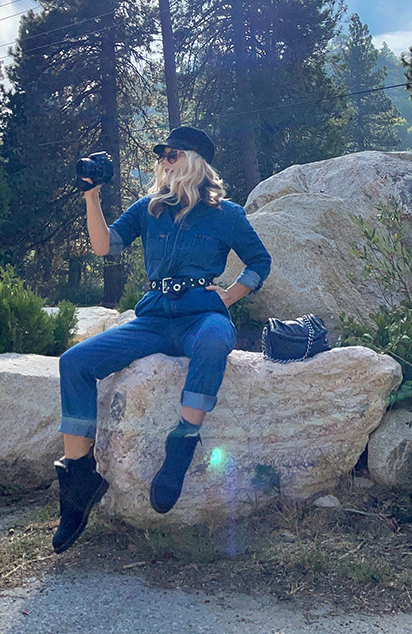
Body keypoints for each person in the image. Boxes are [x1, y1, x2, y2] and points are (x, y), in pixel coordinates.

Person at [52, 126, 271, 554]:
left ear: (195, 162)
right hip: (153, 317)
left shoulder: (227, 214)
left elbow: (260, 261)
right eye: (161, 156)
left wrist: (228, 294)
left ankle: (182, 444)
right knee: (74, 363)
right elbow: (104, 246)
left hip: (200, 315)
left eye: (173, 155)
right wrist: (91, 195)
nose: (164, 162)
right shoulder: (147, 209)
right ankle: (78, 483)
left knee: (214, 340)